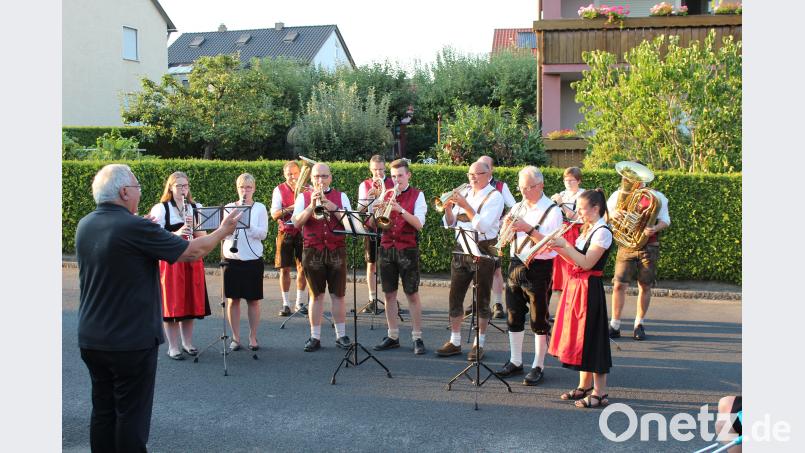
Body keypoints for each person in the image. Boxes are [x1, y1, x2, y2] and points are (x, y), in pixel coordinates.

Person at [76, 164, 239, 452]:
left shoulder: (86, 224)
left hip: (92, 336)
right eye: (137, 187)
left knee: (103, 410)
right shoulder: (134, 227)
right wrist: (222, 231)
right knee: (131, 415)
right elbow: (192, 251)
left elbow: (127, 250)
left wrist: (148, 230)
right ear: (124, 192)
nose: (139, 192)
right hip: (129, 339)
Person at [494, 166, 563, 386]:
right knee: (513, 315)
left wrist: (528, 229)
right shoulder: (517, 206)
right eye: (521, 187)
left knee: (538, 318)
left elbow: (552, 245)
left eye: (528, 187)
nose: (523, 192)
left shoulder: (553, 211)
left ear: (540, 186)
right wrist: (505, 229)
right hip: (516, 263)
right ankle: (515, 361)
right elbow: (505, 238)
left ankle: (538, 365)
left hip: (540, 267)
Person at [547, 188, 613, 408]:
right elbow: (575, 260)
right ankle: (584, 386)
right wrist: (558, 248)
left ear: (596, 208)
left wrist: (565, 244)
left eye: (583, 209)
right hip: (579, 286)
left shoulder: (602, 231)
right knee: (581, 339)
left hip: (590, 288)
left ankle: (600, 392)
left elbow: (586, 263)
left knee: (593, 339)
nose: (579, 213)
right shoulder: (589, 228)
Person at [436, 161, 504, 361]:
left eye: (476, 174)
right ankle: (455, 341)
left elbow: (483, 226)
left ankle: (479, 343)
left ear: (488, 175)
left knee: (482, 299)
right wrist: (448, 209)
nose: (472, 178)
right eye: (470, 174)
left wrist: (465, 206)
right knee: (455, 296)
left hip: (484, 249)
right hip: (461, 249)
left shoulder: (495, 196)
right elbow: (450, 224)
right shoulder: (464, 192)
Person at [148, 172, 211, 360]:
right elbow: (155, 237)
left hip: (192, 260)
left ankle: (187, 343)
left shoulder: (196, 207)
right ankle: (173, 347)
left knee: (190, 302)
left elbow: (203, 237)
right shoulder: (161, 208)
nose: (183, 190)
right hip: (172, 263)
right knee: (173, 304)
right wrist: (177, 233)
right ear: (170, 187)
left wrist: (195, 226)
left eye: (185, 186)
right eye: (179, 186)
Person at [369, 159, 428, 355]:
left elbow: (419, 224)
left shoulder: (418, 195)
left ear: (408, 175)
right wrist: (375, 206)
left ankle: (417, 337)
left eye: (400, 176)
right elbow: (373, 224)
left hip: (407, 249)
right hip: (387, 249)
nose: (396, 180)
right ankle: (392, 335)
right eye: (393, 176)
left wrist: (400, 210)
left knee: (412, 294)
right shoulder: (386, 194)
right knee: (389, 294)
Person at [606, 162, 671, 341]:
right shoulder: (617, 195)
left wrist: (655, 228)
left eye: (636, 176)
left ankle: (639, 324)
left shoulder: (657, 197)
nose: (630, 179)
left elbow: (666, 220)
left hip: (648, 246)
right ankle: (615, 324)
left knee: (645, 285)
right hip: (626, 245)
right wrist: (612, 215)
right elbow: (604, 216)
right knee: (619, 284)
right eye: (629, 176)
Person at [292, 163, 352, 352]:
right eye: (317, 176)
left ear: (330, 178)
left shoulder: (341, 197)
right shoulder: (303, 197)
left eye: (324, 176)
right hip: (313, 251)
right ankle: (315, 337)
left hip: (336, 250)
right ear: (311, 179)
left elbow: (350, 223)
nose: (320, 180)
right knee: (316, 296)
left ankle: (341, 335)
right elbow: (296, 223)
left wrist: (332, 206)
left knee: (338, 295)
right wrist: (311, 207)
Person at [222, 173, 269, 351]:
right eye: (242, 187)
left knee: (253, 301)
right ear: (237, 188)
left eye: (248, 187)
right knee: (233, 300)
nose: (245, 191)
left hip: (252, 260)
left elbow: (263, 234)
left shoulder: (259, 208)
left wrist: (247, 224)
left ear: (254, 189)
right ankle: (235, 337)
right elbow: (223, 234)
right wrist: (231, 226)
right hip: (232, 260)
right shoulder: (229, 207)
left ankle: (252, 336)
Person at [476, 155, 516, 319]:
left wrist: (503, 221)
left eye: (485, 166)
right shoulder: (472, 186)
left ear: (491, 169)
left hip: (493, 235)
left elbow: (513, 207)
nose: (481, 168)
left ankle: (497, 303)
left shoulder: (500, 186)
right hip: (475, 235)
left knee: (495, 269)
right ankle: (477, 302)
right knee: (474, 268)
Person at [356, 154, 394, 313]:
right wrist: (369, 199)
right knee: (371, 264)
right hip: (371, 228)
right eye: (374, 170)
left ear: (385, 168)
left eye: (380, 169)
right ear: (370, 169)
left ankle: (391, 299)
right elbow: (360, 210)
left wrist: (382, 197)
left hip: (389, 229)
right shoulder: (364, 185)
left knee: (390, 265)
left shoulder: (393, 183)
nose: (378, 173)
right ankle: (372, 299)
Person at [270, 161, 309, 316]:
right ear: (284, 175)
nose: (292, 177)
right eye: (289, 174)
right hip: (285, 231)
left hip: (303, 231)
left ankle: (299, 303)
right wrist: (292, 207)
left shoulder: (308, 189)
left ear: (300, 173)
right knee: (284, 269)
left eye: (295, 173)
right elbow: (274, 214)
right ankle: (286, 304)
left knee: (303, 268)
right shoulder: (279, 189)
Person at [550, 167, 586, 297]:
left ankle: (573, 295)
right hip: (561, 231)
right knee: (559, 267)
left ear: (579, 181)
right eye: (566, 180)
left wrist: (561, 204)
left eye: (572, 180)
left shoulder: (583, 195)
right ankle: (561, 298)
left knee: (571, 263)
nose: (568, 183)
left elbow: (575, 217)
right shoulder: (562, 194)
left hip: (575, 232)